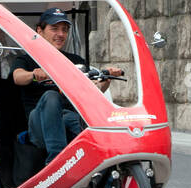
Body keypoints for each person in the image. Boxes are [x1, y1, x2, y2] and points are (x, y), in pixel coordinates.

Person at [12, 9, 122, 165]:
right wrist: (34, 74)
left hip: (68, 119)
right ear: (40, 31)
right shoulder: (26, 60)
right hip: (39, 125)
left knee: (74, 118)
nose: (61, 34)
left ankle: (109, 158)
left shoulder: (75, 60)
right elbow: (17, 77)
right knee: (52, 96)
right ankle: (57, 161)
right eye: (54, 29)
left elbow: (92, 89)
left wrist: (105, 79)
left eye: (64, 30)